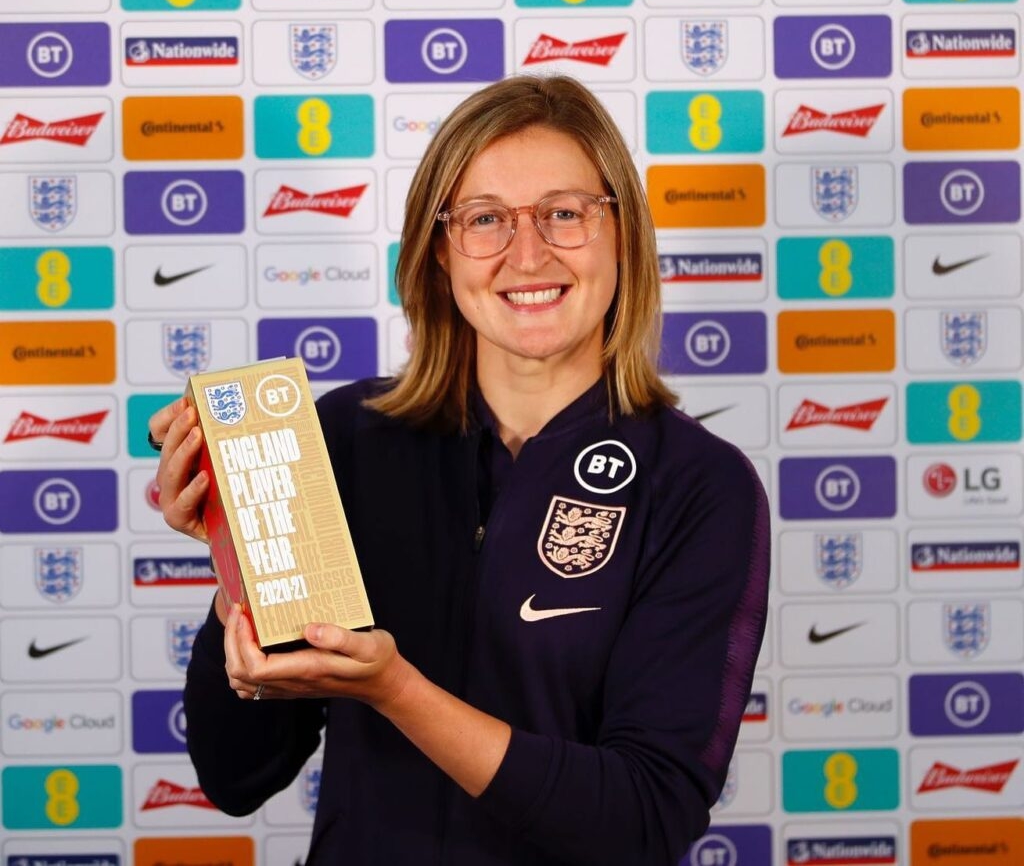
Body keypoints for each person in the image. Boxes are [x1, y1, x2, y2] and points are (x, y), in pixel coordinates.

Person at [148, 74, 769, 866]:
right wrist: (241, 545)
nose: (528, 253)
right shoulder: (341, 437)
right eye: (485, 219)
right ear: (441, 252)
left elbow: (644, 819)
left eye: (565, 213)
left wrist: (395, 689)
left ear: (624, 235)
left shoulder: (696, 485)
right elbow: (236, 774)